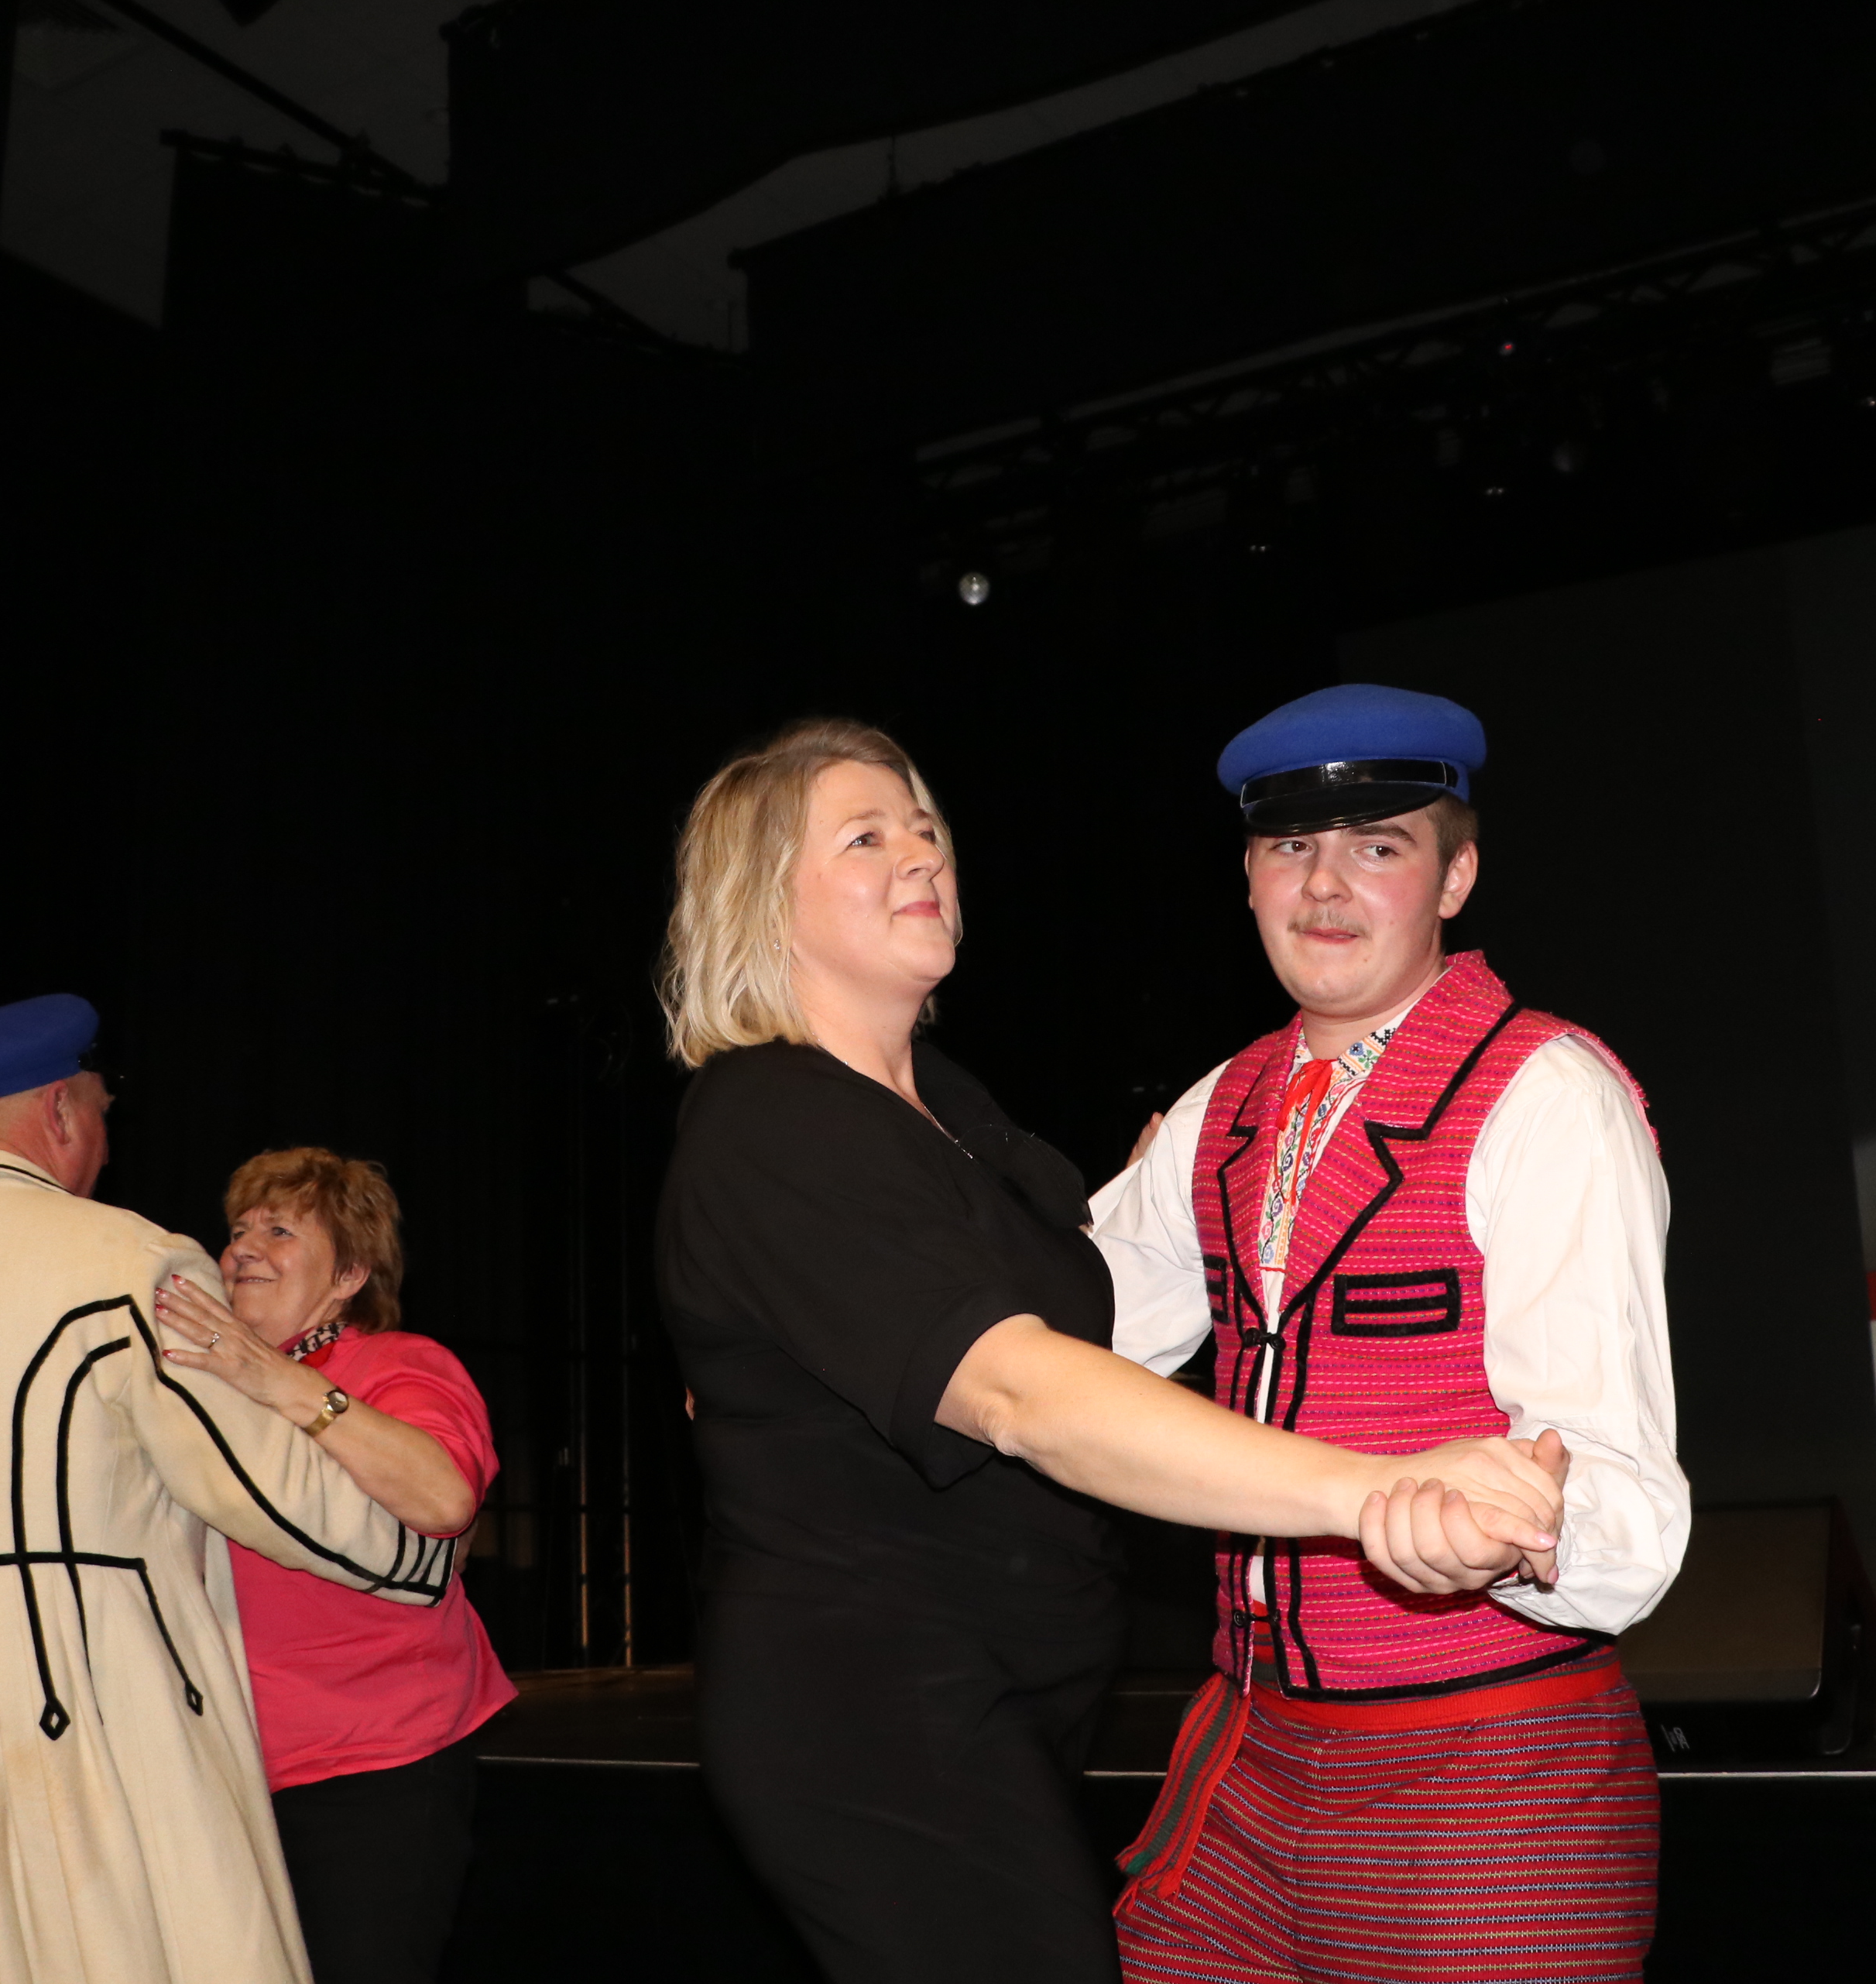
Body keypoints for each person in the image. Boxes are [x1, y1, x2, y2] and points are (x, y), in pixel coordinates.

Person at [653, 719, 1572, 1984]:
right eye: (865, 837)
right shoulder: (773, 1118)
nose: (921, 852)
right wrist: (1376, 1488)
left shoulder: (951, 1115)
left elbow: (1089, 1318)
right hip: (873, 1708)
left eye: (924, 825)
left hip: (996, 1696)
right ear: (759, 901)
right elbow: (1022, 1391)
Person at [1091, 685, 1687, 1983]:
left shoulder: (1548, 1095)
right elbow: (1066, 1347)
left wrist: (1512, 1531)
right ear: (1247, 877)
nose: (1323, 885)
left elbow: (1623, 1506)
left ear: (1454, 878)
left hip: (1487, 1783)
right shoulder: (1217, 1108)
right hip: (1247, 1767)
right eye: (1290, 847)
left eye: (1376, 846)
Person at [0, 996, 454, 1984]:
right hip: (75, 1714)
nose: (104, 1140)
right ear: (62, 1109)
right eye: (102, 1111)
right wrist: (413, 1554)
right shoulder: (127, 1263)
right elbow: (262, 1486)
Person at [152, 1148, 513, 1984]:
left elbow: (443, 1496)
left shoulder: (400, 1364)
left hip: (376, 1766)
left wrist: (272, 1377)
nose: (243, 1248)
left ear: (350, 1273)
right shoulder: (203, 1389)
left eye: (280, 1231)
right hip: (229, 1764)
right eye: (239, 1229)